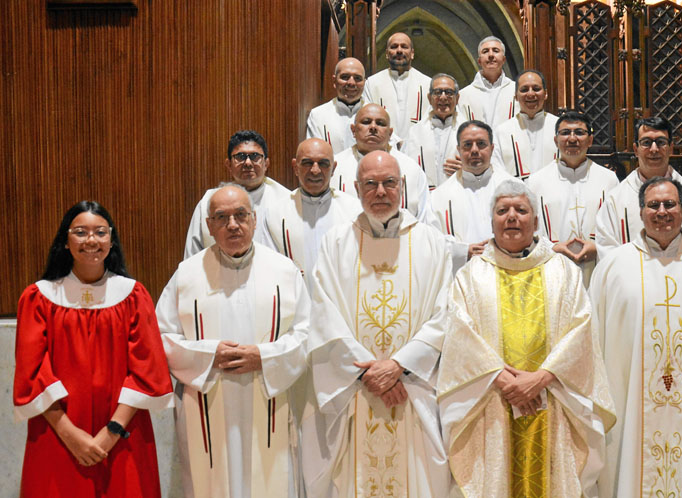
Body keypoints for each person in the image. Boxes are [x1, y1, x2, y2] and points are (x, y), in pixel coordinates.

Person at [437, 180, 616, 497]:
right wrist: (503, 379)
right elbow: (460, 335)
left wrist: (541, 378)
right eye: (502, 211)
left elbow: (581, 331)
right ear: (492, 221)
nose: (511, 217)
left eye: (520, 210)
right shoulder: (471, 275)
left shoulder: (563, 271)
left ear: (535, 221)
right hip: (493, 400)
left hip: (552, 399)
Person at [302, 151, 452, 497]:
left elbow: (445, 313)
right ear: (356, 188)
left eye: (389, 183)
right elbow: (324, 314)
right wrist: (367, 373)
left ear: (402, 186)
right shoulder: (336, 243)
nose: (380, 192)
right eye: (371, 184)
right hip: (356, 389)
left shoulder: (432, 242)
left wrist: (399, 366)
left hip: (412, 389)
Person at [589, 177, 682, 498]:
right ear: (640, 212)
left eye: (670, 204)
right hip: (629, 403)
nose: (662, 212)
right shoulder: (612, 267)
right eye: (653, 205)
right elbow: (593, 343)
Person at [157, 185, 310, 498]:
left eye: (241, 215)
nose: (233, 225)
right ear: (209, 226)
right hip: (209, 407)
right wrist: (208, 354)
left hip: (268, 402)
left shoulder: (284, 271)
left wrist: (264, 357)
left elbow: (306, 334)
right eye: (221, 217)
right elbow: (161, 337)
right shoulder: (187, 274)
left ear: (254, 219)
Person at [14, 201, 173, 497]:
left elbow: (146, 370)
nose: (91, 240)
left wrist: (111, 433)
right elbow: (32, 373)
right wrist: (71, 435)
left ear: (111, 240)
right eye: (80, 232)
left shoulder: (133, 296)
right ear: (65, 241)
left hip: (123, 434)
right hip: (58, 432)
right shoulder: (39, 298)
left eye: (100, 232)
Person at [595, 116, 682, 260]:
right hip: (633, 275)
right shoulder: (615, 199)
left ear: (671, 148)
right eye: (646, 142)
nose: (654, 149)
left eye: (661, 142)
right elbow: (608, 255)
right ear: (636, 149)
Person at [526, 110, 619, 287]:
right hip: (551, 270)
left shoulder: (608, 180)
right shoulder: (536, 182)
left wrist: (597, 248)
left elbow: (616, 229)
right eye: (565, 133)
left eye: (579, 132)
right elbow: (529, 231)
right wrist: (552, 248)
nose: (572, 138)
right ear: (556, 140)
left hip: (595, 270)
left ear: (590, 140)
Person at [257, 138, 361, 289]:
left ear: (333, 168)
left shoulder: (354, 211)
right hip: (294, 298)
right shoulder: (276, 214)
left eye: (323, 163)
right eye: (307, 163)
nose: (315, 170)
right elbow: (270, 265)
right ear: (295, 167)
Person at [184, 129, 289, 259]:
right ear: (228, 164)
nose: (248, 163)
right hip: (219, 271)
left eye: (255, 156)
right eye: (240, 157)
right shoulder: (209, 202)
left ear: (266, 163)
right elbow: (193, 256)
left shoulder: (285, 201)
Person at [331, 103, 436, 226]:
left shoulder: (411, 169)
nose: (373, 127)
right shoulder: (335, 168)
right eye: (366, 122)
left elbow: (424, 218)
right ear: (353, 130)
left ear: (390, 133)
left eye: (380, 123)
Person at [430, 119, 513, 273]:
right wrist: (463, 251)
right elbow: (431, 241)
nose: (474, 150)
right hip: (460, 276)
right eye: (467, 145)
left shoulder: (514, 189)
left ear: (492, 148)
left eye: (481, 144)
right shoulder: (438, 197)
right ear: (459, 150)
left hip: (506, 272)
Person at [363, 32, 432, 140]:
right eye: (394, 47)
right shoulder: (372, 83)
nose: (399, 50)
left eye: (404, 46)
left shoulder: (428, 84)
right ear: (387, 53)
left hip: (417, 145)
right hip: (384, 145)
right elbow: (367, 117)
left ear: (412, 53)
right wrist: (394, 142)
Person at [492, 69, 559, 179]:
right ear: (516, 96)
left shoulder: (559, 127)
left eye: (536, 89)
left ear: (545, 94)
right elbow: (497, 170)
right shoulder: (502, 131)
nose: (531, 94)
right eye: (524, 90)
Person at [402, 73, 463, 188]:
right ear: (429, 98)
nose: (443, 97)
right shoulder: (414, 133)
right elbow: (403, 167)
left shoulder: (469, 132)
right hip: (424, 196)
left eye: (449, 92)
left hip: (459, 192)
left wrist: (469, 170)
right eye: (437, 92)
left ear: (457, 98)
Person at [306, 57, 367, 155]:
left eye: (357, 78)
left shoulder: (377, 115)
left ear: (364, 82)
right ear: (334, 81)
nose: (351, 83)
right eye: (345, 77)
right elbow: (314, 154)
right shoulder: (318, 115)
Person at [457, 36, 518, 128]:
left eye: (496, 51)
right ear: (479, 61)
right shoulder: (463, 95)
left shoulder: (516, 91)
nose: (491, 55)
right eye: (485, 51)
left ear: (504, 59)